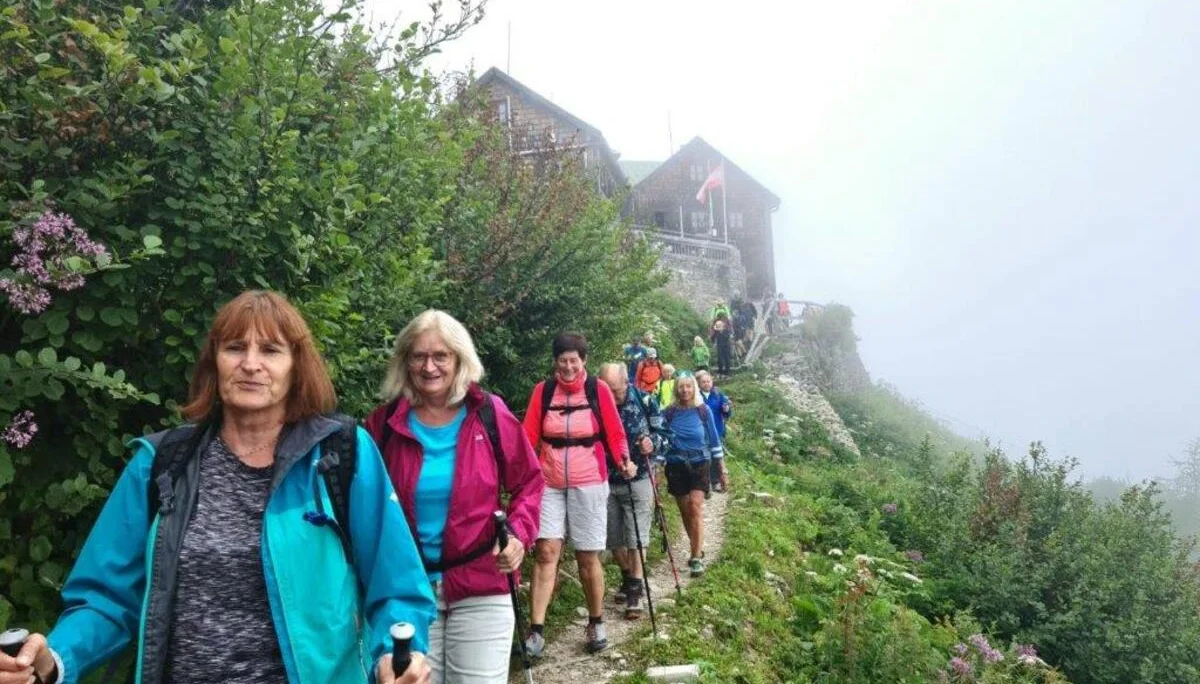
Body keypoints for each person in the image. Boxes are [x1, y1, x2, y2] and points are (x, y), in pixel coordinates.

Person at [0, 290, 436, 684]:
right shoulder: (161, 465)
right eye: (234, 348)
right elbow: (105, 598)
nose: (250, 363)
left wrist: (397, 654)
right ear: (215, 362)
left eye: (270, 350)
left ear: (295, 366)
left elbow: (395, 583)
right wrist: (55, 658)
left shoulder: (338, 456)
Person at [364, 310, 544, 684]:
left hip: (482, 581)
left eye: (440, 356)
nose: (429, 366)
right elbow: (364, 508)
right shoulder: (383, 426)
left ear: (460, 359)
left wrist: (518, 534)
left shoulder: (488, 415)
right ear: (405, 361)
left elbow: (529, 480)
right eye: (419, 356)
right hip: (405, 589)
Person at [522, 333, 632, 656]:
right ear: (555, 361)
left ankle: (596, 621)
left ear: (584, 360)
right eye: (562, 360)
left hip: (589, 480)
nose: (568, 366)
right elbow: (528, 436)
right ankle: (536, 631)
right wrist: (519, 473)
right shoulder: (542, 393)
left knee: (587, 556)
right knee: (545, 552)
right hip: (549, 480)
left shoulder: (597, 390)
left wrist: (623, 457)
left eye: (574, 360)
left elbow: (614, 431)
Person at [597, 363, 666, 620]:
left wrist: (652, 443)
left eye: (615, 391)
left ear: (627, 382)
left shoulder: (646, 400)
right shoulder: (594, 403)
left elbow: (664, 434)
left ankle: (635, 589)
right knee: (611, 538)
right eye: (606, 390)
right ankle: (628, 575)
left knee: (637, 535)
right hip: (603, 480)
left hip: (638, 478)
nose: (611, 398)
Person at [662, 372, 723, 578]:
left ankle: (696, 556)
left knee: (694, 506)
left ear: (694, 388)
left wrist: (721, 471)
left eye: (689, 386)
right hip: (675, 464)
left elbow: (715, 442)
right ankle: (695, 543)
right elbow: (661, 439)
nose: (685, 390)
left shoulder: (703, 411)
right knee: (684, 510)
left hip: (699, 463)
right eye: (681, 386)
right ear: (676, 389)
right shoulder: (668, 413)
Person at [696, 370, 733, 493]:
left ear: (712, 382)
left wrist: (726, 409)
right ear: (699, 384)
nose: (706, 384)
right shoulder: (696, 396)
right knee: (705, 458)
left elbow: (727, 413)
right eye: (703, 382)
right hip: (701, 433)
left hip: (717, 430)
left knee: (716, 457)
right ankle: (704, 482)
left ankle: (716, 481)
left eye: (708, 381)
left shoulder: (718, 395)